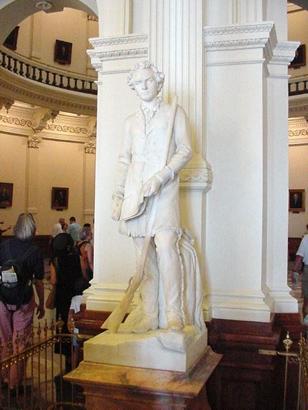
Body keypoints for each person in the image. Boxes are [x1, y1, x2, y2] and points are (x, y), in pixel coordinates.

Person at [110, 61, 193, 333]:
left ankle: (173, 313)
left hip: (163, 191)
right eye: (139, 83)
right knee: (143, 259)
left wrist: (163, 176)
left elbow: (185, 151)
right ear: (133, 87)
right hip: (136, 195)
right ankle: (149, 313)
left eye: (149, 81)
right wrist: (118, 195)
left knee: (167, 247)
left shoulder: (174, 114)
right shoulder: (130, 122)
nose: (144, 86)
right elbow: (124, 160)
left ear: (159, 83)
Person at [0, 213, 45, 390]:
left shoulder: (4, 246)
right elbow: (39, 281)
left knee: (4, 341)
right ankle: (14, 384)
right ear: (33, 229)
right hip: (23, 302)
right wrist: (41, 303)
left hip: (2, 299)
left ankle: (3, 378)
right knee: (20, 344)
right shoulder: (35, 251)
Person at [50, 232, 83, 369]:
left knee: (63, 324)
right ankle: (75, 355)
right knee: (74, 325)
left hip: (61, 297)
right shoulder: (77, 258)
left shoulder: (55, 261)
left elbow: (53, 281)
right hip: (74, 295)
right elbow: (84, 274)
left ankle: (67, 358)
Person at [293, 234, 308, 323]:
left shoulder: (306, 238)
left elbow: (300, 256)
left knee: (306, 299)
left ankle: (306, 324)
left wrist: (295, 270)